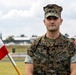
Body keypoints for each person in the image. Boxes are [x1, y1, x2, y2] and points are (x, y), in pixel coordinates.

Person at [24, 4, 76, 75]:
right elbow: (29, 72)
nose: (52, 21)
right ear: (44, 21)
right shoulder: (34, 46)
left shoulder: (70, 46)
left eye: (55, 18)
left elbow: (74, 71)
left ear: (61, 21)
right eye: (49, 18)